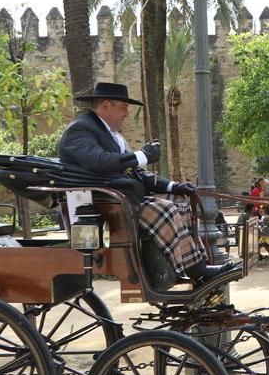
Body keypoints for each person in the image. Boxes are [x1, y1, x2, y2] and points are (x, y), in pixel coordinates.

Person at [57, 81, 239, 286]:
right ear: (106, 105)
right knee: (166, 209)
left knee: (179, 200)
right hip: (99, 204)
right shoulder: (80, 130)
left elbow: (135, 172)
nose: (127, 113)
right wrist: (142, 155)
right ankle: (197, 270)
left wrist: (173, 186)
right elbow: (100, 162)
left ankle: (180, 267)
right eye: (123, 107)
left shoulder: (111, 134)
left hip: (122, 198)